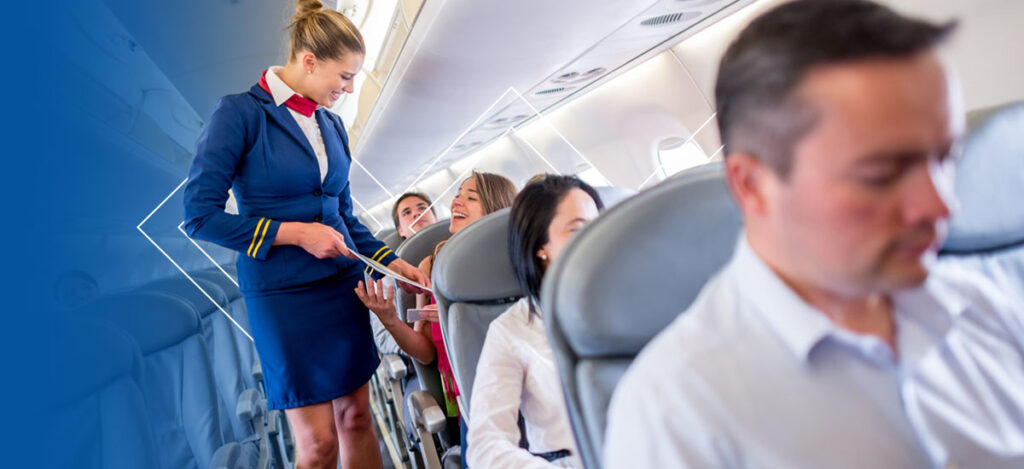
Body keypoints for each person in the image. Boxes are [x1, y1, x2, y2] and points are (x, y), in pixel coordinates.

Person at [604, 1, 1024, 467]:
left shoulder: (989, 304)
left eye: (946, 158)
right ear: (752, 185)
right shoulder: (677, 412)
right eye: (881, 174)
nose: (942, 205)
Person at [182, 1, 428, 467]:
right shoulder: (239, 114)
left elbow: (345, 216)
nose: (349, 89)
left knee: (357, 418)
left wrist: (391, 261)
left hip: (341, 285)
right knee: (317, 446)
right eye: (344, 76)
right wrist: (294, 233)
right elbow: (199, 215)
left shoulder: (332, 125)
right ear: (309, 61)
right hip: (283, 295)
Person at [356, 171, 516, 460]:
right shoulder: (431, 265)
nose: (456, 200)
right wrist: (390, 319)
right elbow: (426, 354)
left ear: (495, 210)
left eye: (471, 197)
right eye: (457, 194)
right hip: (470, 395)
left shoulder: (519, 262)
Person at [466, 175, 602, 468]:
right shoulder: (510, 330)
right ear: (540, 246)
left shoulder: (635, 307)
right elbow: (486, 446)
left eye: (598, 227)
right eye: (578, 229)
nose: (595, 241)